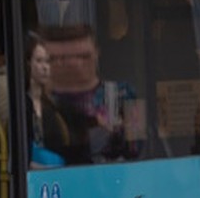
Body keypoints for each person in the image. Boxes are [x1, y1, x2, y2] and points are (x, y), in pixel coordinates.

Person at [44, 23, 140, 163]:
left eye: (83, 56)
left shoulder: (123, 93)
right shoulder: (42, 100)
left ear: (97, 53)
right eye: (63, 58)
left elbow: (137, 149)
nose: (74, 64)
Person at [25, 33, 69, 166]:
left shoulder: (53, 107)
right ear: (28, 64)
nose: (45, 67)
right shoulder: (22, 104)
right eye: (39, 61)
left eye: (47, 61)